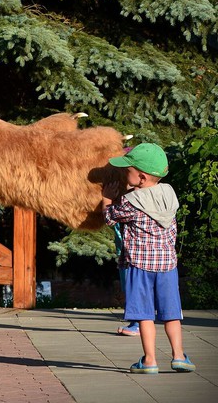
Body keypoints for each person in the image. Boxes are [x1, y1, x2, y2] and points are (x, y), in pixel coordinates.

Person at [101, 143, 196, 374]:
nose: (124, 174)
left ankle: (150, 360)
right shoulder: (169, 195)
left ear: (141, 177)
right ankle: (179, 356)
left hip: (139, 266)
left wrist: (107, 199)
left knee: (144, 315)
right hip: (167, 266)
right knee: (172, 314)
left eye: (128, 170)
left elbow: (110, 218)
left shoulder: (131, 202)